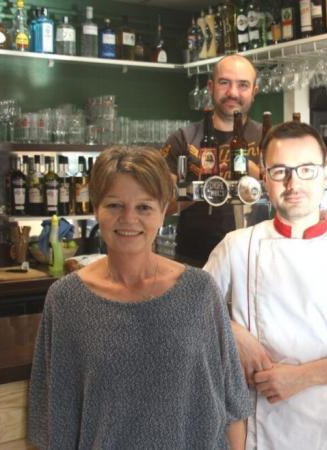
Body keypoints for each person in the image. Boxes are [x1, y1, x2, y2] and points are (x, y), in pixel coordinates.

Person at [28, 146, 252, 449]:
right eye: (115, 205)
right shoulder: (66, 299)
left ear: (162, 211)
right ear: (96, 209)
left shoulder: (200, 291)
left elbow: (232, 403)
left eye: (144, 207)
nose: (129, 218)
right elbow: (54, 419)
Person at [204, 122, 327, 450]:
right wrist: (235, 333)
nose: (293, 183)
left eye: (306, 169)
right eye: (280, 171)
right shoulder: (237, 246)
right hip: (259, 434)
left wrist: (300, 377)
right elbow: (191, 312)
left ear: (325, 173)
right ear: (264, 178)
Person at [162, 54, 263, 266]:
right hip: (195, 263)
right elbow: (161, 206)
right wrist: (201, 186)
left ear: (255, 91)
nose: (232, 93)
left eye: (243, 85)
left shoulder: (268, 139)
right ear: (211, 86)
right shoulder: (184, 139)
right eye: (224, 82)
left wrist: (260, 177)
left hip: (256, 262)